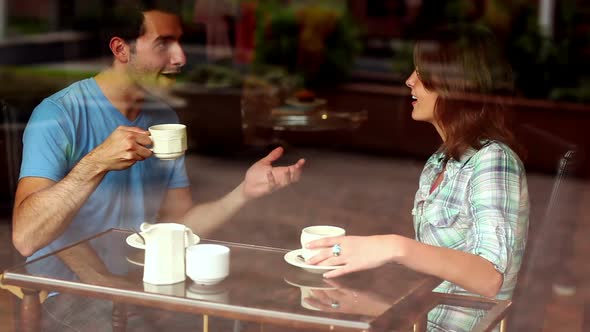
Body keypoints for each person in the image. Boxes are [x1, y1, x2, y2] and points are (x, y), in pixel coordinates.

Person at [12, 2, 304, 260]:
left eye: (179, 43)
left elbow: (180, 225)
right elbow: (26, 239)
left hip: (140, 286)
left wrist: (243, 192)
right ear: (120, 49)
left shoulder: (164, 118)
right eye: (164, 44)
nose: (180, 58)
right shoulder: (58, 114)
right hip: (65, 298)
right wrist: (97, 161)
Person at [307, 26, 529, 331]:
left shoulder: (494, 161)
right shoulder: (441, 162)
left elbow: (489, 277)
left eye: (422, 73)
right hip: (421, 320)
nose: (409, 80)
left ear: (455, 85)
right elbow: (434, 277)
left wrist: (396, 248)